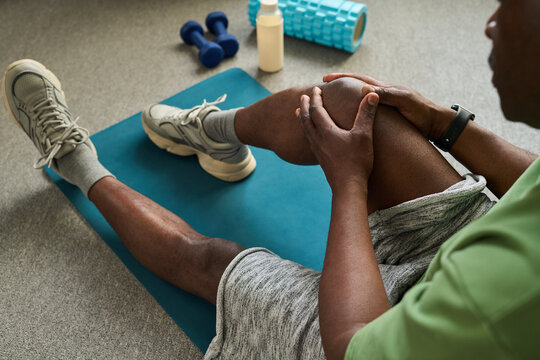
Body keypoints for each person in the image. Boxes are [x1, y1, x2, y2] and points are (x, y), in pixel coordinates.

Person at [2, 0, 539, 358]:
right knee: (351, 100)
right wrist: (445, 122)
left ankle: (74, 160)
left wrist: (349, 182)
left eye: (515, 10)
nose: (491, 23)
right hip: (473, 248)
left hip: (396, 339)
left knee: (213, 259)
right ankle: (215, 133)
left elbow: (353, 346)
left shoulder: (492, 310)